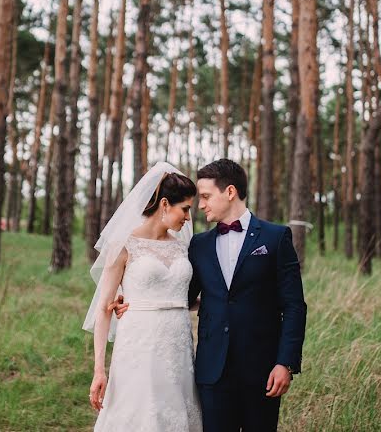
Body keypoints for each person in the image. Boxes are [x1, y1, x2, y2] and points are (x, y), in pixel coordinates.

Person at [115, 158, 307, 432]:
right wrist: (130, 299)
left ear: (229, 192)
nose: (200, 205)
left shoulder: (276, 238)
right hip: (211, 372)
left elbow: (294, 306)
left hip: (262, 370)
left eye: (205, 197)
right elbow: (179, 295)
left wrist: (285, 362)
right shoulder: (199, 245)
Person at [83, 162, 202, 431]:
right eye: (184, 209)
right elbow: (104, 308)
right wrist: (99, 369)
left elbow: (182, 299)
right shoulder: (124, 245)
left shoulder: (181, 247)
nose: (188, 217)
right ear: (164, 204)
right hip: (140, 344)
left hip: (179, 347)